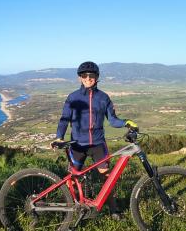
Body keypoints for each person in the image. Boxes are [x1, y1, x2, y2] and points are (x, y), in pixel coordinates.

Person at [50, 61, 137, 220]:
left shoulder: (103, 98)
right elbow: (64, 119)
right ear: (80, 78)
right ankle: (72, 214)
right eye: (84, 75)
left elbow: (112, 120)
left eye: (91, 75)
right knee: (74, 180)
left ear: (97, 77)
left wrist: (126, 122)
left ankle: (114, 211)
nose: (88, 78)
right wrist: (59, 137)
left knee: (107, 179)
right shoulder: (73, 97)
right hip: (77, 145)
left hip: (98, 144)